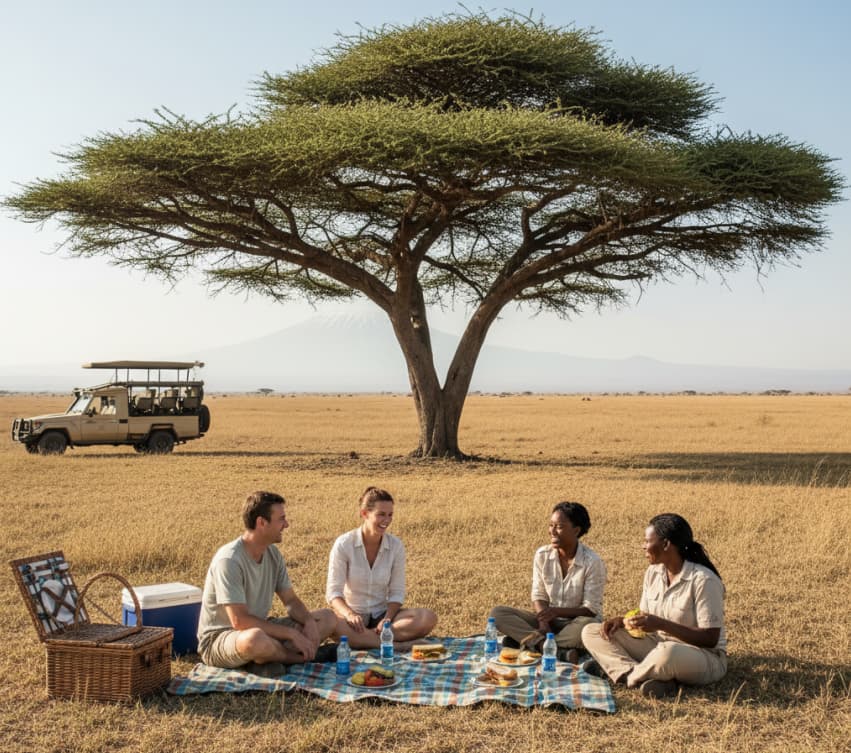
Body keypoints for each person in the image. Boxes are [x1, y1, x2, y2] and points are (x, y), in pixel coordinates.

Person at [581, 513, 727, 698]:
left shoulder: (704, 580)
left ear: (666, 544)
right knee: (593, 631)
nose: (643, 546)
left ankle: (621, 673)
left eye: (647, 541)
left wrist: (660, 624)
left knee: (668, 652)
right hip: (657, 645)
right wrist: (623, 621)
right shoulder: (653, 572)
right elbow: (646, 615)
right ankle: (647, 677)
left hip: (702, 656)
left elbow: (710, 638)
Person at [197, 490, 338, 675]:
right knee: (255, 640)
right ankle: (304, 658)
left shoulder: (272, 554)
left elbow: (290, 601)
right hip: (221, 639)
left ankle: (264, 660)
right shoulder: (229, 560)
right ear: (261, 523)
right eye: (281, 519)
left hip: (260, 628)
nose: (286, 525)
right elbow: (239, 621)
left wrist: (309, 621)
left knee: (327, 618)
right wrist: (291, 634)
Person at [490, 501, 606, 663]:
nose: (552, 531)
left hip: (575, 623)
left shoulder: (592, 562)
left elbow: (591, 609)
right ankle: (556, 650)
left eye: (559, 526)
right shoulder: (542, 555)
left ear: (576, 530)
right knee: (498, 614)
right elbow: (539, 595)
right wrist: (544, 622)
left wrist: (556, 612)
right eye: (550, 525)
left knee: (589, 628)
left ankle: (529, 642)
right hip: (547, 620)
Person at [326, 486, 437, 649]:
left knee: (427, 618)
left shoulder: (396, 546)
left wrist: (388, 618)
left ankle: (367, 640)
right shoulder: (344, 544)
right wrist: (350, 614)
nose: (387, 520)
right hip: (352, 620)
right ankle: (399, 645)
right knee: (331, 623)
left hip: (382, 617)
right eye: (381, 514)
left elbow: (397, 592)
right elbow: (333, 592)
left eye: (390, 514)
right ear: (364, 514)